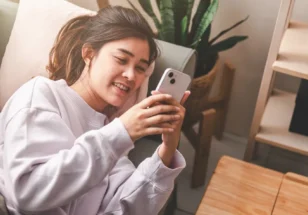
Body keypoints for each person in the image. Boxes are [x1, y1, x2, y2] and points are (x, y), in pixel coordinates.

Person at [0, 5, 190, 215]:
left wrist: (167, 150)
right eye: (121, 59)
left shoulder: (110, 135)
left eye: (140, 68)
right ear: (89, 54)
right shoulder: (40, 94)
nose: (131, 75)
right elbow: (27, 193)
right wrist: (122, 132)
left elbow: (126, 209)